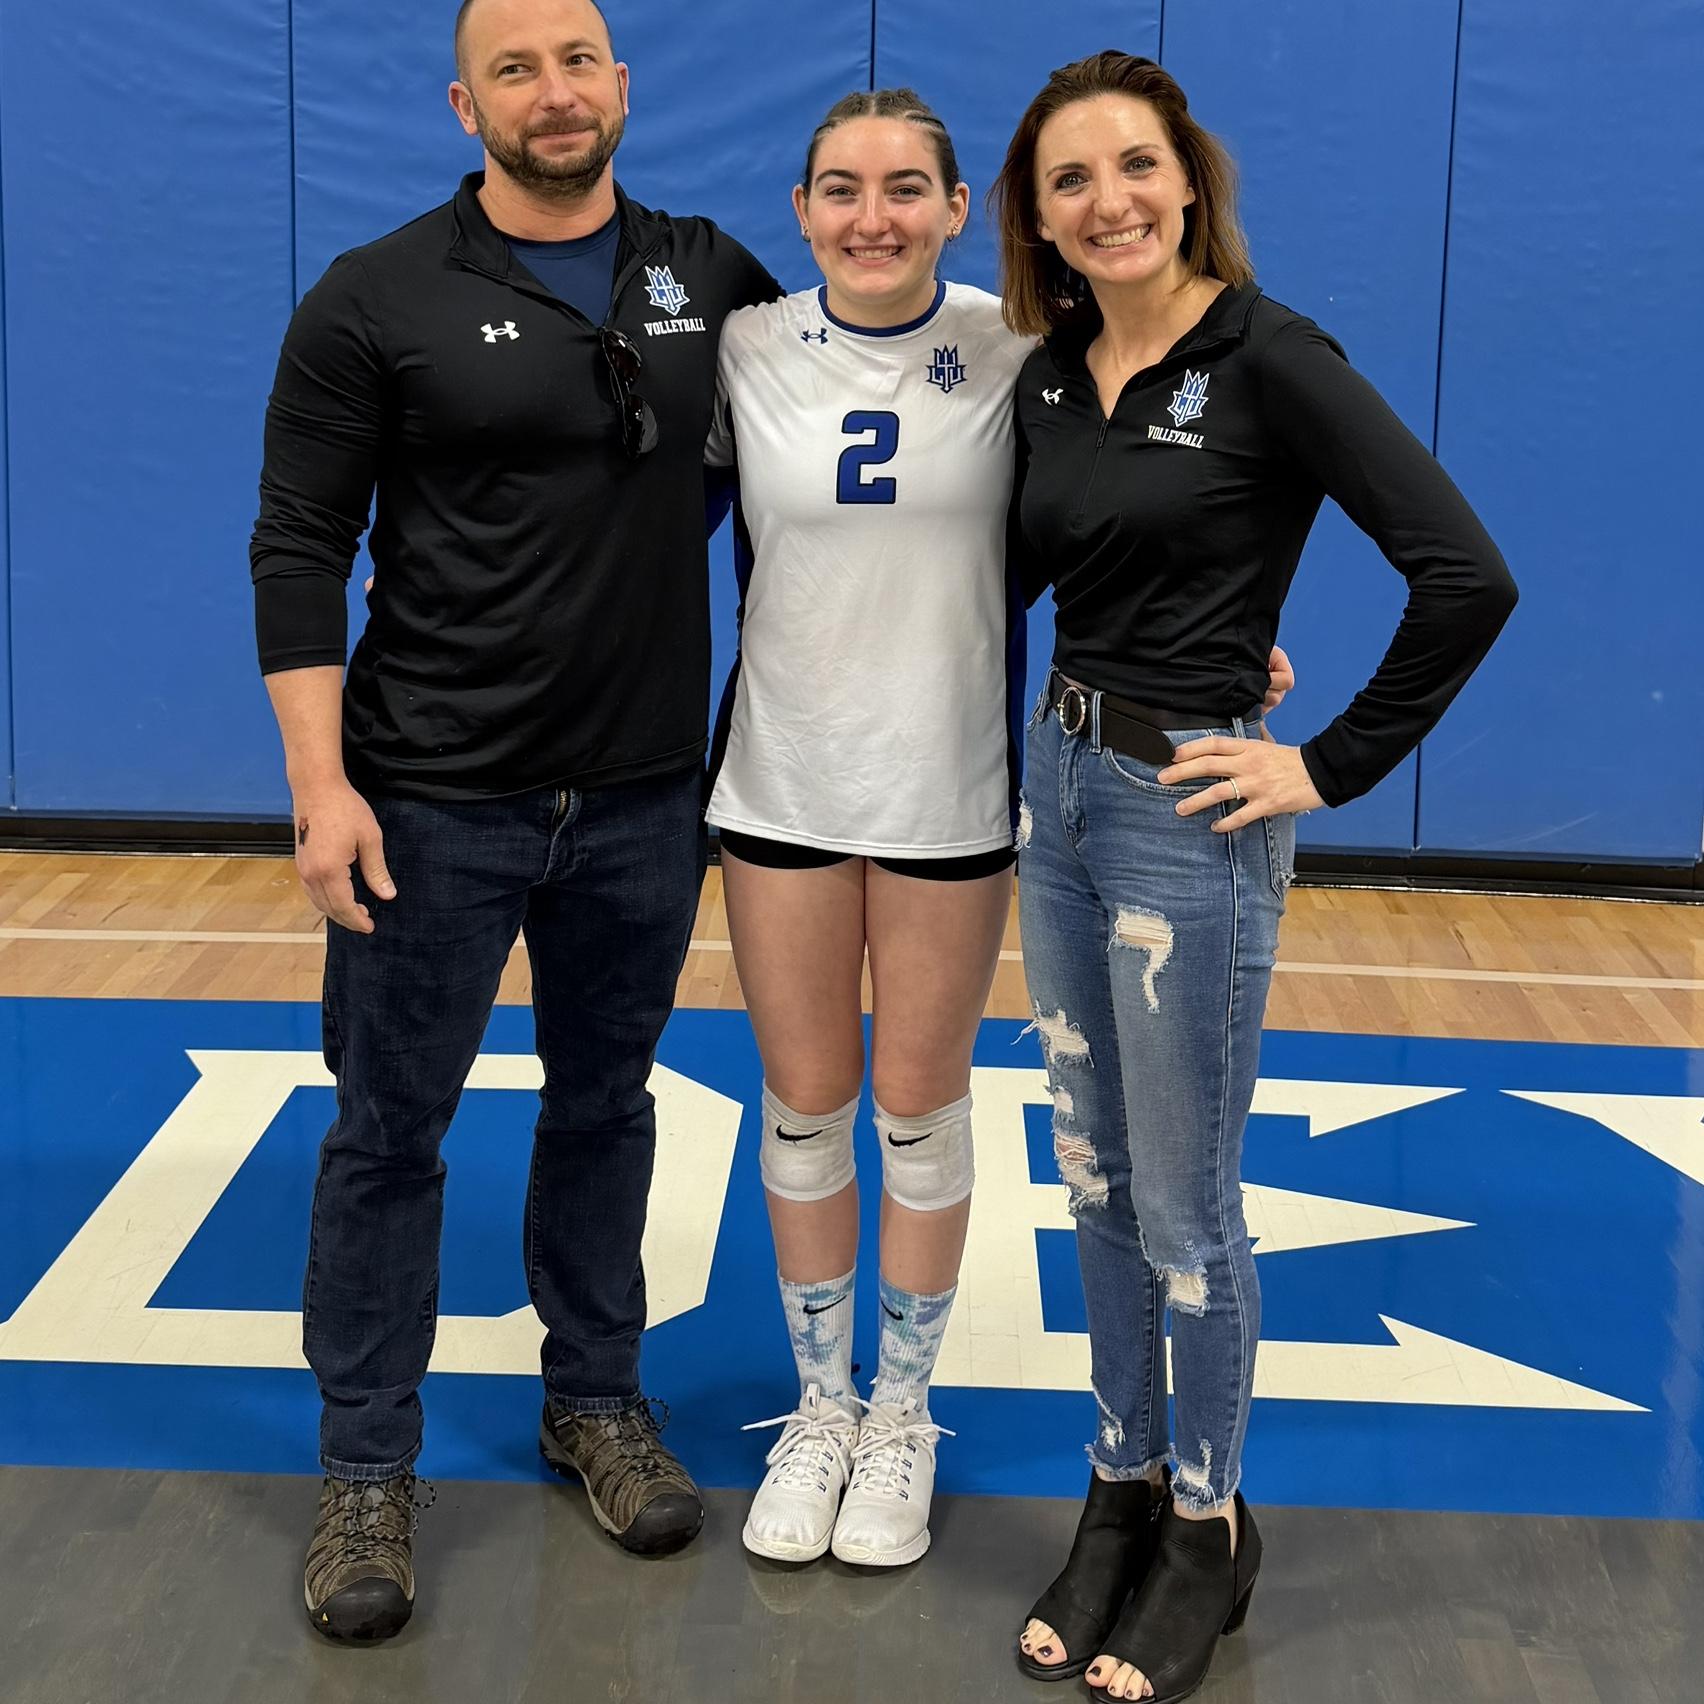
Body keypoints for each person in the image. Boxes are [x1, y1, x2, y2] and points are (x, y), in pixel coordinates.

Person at [704, 89, 1297, 1573]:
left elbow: (1140, 511)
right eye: (842, 189)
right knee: (800, 1103)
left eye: (909, 187)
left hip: (950, 793)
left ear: (965, 209)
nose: (874, 216)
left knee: (918, 1106)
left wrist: (1224, 647)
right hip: (776, 789)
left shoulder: (1025, 354)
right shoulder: (748, 346)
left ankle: (902, 1416)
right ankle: (822, 1408)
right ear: (802, 209)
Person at [991, 52, 1517, 1703]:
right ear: (1041, 220)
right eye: (1070, 182)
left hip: (1185, 818)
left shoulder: (1272, 355)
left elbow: (1465, 575)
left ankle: (1210, 1532)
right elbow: (1060, 567)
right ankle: (1120, 1489)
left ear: (1190, 175)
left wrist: (1320, 760)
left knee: (1189, 1207)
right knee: (1090, 1174)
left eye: (1133, 165)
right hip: (1056, 792)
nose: (1108, 202)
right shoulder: (1058, 371)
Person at [248, 0, 777, 1643]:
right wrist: (323, 788)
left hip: (639, 800)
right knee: (389, 1132)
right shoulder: (372, 295)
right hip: (428, 800)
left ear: (622, 87)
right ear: (462, 101)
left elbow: (895, 432)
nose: (552, 95)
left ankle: (594, 1398)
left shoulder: (718, 280)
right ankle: (364, 1465)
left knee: (608, 1106)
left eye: (577, 64)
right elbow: (294, 547)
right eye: (516, 69)